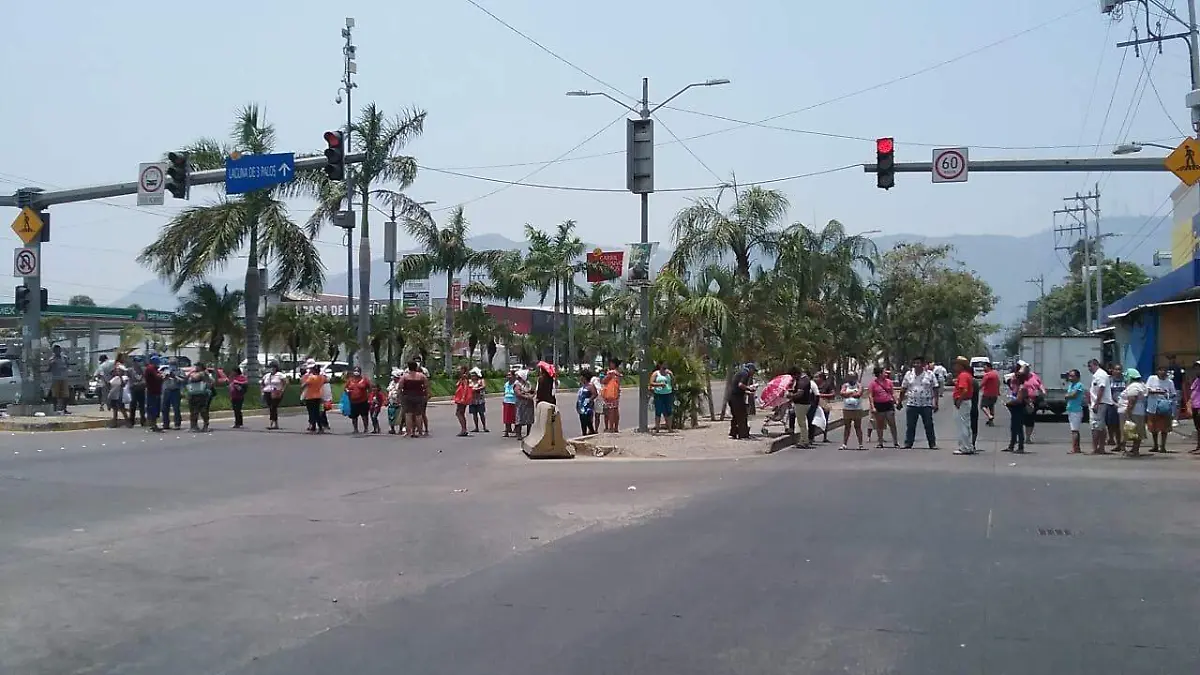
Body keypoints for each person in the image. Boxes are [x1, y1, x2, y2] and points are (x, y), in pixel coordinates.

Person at [899, 356, 939, 449]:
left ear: (923, 364)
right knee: (910, 425)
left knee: (928, 424)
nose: (916, 365)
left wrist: (936, 402)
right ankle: (908, 443)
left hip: (926, 404)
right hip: (912, 403)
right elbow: (903, 388)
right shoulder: (909, 374)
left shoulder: (929, 374)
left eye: (918, 363)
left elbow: (935, 388)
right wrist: (899, 401)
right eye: (915, 363)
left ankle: (932, 443)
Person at [1145, 364, 1177, 453]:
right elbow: (1146, 390)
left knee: (1164, 428)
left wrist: (1166, 395)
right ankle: (1155, 445)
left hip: (1164, 407)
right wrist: (1155, 391)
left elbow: (1173, 393)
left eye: (1164, 371)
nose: (1163, 372)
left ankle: (1163, 446)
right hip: (1152, 407)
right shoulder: (1152, 378)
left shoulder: (1169, 382)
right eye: (1161, 370)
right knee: (1153, 428)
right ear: (1157, 371)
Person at [868, 366, 899, 448]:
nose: (886, 374)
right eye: (884, 372)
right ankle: (880, 442)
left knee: (892, 423)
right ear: (880, 374)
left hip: (888, 404)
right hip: (879, 405)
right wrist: (872, 407)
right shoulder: (873, 383)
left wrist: (896, 402)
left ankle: (895, 442)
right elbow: (870, 396)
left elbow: (893, 393)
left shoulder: (889, 382)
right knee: (880, 425)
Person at [949, 357, 975, 455]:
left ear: (961, 365)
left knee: (962, 425)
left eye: (956, 364)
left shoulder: (963, 375)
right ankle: (968, 446)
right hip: (965, 402)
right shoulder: (966, 375)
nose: (955, 367)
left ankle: (965, 447)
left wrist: (959, 400)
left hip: (962, 402)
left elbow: (964, 390)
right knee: (966, 424)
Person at [1120, 368, 1148, 457]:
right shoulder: (1141, 385)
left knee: (1131, 430)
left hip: (1134, 412)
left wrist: (1128, 412)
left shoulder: (1134, 386)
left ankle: (1134, 450)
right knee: (1137, 430)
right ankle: (1134, 449)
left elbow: (1132, 399)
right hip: (1139, 411)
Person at [1086, 359, 1111, 455]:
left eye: (1090, 366)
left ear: (1096, 365)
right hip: (1098, 403)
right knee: (1100, 426)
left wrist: (1096, 403)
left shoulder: (1100, 374)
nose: (1089, 368)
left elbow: (1101, 388)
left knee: (1095, 426)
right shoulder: (1097, 375)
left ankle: (1095, 448)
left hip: (1099, 404)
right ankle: (1100, 448)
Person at [728, 362, 757, 440]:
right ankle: (743, 435)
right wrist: (749, 388)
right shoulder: (745, 374)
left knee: (736, 416)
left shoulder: (740, 372)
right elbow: (740, 385)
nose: (753, 373)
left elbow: (738, 388)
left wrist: (748, 392)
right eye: (753, 371)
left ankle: (733, 433)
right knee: (742, 416)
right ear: (750, 369)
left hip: (732, 397)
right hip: (737, 398)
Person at [401, 361, 429, 438]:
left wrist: (400, 397)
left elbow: (400, 387)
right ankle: (420, 432)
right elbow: (426, 386)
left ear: (408, 367)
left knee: (408, 414)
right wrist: (427, 395)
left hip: (407, 396)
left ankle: (409, 432)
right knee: (418, 415)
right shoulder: (421, 376)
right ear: (416, 367)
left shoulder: (405, 377)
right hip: (419, 396)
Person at [1004, 369, 1030, 453]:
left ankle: (1020, 447)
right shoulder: (1016, 386)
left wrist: (1008, 403)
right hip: (1015, 410)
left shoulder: (1022, 388)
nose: (1012, 377)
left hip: (1019, 409)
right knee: (1014, 428)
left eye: (1014, 377)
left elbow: (1019, 400)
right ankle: (1011, 445)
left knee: (1019, 428)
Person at [839, 372, 866, 450]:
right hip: (847, 409)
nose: (851, 379)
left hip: (857, 409)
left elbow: (858, 394)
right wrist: (852, 392)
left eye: (853, 377)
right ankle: (844, 444)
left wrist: (847, 394)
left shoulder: (859, 385)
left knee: (857, 427)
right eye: (849, 377)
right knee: (847, 427)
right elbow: (842, 393)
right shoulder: (845, 385)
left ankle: (860, 444)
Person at [184, 363, 213, 432]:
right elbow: (186, 379)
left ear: (201, 367)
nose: (196, 367)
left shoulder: (203, 373)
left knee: (202, 410)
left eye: (197, 366)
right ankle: (194, 426)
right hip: (193, 393)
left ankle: (205, 426)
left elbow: (194, 378)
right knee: (193, 411)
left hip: (201, 394)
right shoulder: (197, 373)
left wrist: (190, 373)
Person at [345, 366, 372, 434]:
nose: (356, 372)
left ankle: (366, 429)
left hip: (363, 401)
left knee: (364, 415)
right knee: (354, 416)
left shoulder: (364, 380)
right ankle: (355, 429)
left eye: (358, 371)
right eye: (355, 371)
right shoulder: (350, 380)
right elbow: (345, 388)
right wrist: (347, 391)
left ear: (360, 372)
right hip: (353, 401)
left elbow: (370, 388)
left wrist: (369, 396)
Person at [1064, 369, 1085, 454]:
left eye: (1072, 376)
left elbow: (1073, 395)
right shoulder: (1071, 385)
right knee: (1074, 430)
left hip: (1076, 410)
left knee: (1074, 430)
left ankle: (1074, 448)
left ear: (1077, 377)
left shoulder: (1079, 385)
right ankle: (1077, 447)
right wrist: (1068, 396)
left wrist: (1067, 396)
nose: (1070, 378)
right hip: (1071, 409)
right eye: (1070, 376)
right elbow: (1068, 395)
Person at [649, 361, 675, 433]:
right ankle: (657, 428)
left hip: (668, 394)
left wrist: (671, 375)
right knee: (658, 411)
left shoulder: (668, 373)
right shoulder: (656, 373)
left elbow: (673, 383)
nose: (666, 365)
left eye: (666, 364)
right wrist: (659, 384)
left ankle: (670, 428)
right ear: (660, 365)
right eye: (664, 364)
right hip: (658, 394)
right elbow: (651, 383)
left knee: (669, 411)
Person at [301, 364, 327, 433]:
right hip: (318, 396)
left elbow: (303, 385)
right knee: (317, 412)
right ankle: (320, 427)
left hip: (310, 397)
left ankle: (313, 426)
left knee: (311, 412)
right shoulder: (321, 377)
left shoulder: (311, 377)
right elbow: (326, 380)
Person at [261, 362, 286, 430]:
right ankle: (275, 423)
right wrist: (262, 391)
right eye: (270, 367)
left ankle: (272, 423)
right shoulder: (267, 375)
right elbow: (262, 383)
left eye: (273, 367)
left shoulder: (280, 375)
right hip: (267, 392)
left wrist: (282, 390)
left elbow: (285, 382)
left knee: (273, 406)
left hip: (276, 392)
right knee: (271, 408)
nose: (272, 369)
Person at [160, 358, 184, 430]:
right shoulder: (166, 370)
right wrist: (165, 376)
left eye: (173, 363)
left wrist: (175, 376)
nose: (172, 365)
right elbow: (161, 379)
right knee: (164, 408)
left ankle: (177, 424)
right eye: (171, 363)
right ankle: (166, 424)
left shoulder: (180, 371)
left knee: (176, 408)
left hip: (175, 391)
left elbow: (183, 380)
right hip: (167, 391)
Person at [600, 359, 622, 433]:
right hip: (616, 393)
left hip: (610, 394)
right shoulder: (618, 373)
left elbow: (604, 381)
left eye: (611, 363)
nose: (609, 365)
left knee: (610, 411)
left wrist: (603, 376)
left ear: (613, 364)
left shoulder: (611, 372)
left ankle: (611, 428)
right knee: (615, 410)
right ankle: (616, 427)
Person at [48, 345, 71, 414]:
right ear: (54, 351)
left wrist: (65, 369)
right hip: (55, 379)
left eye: (58, 350)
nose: (57, 351)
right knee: (55, 395)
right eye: (56, 350)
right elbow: (49, 369)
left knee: (65, 395)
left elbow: (68, 365)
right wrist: (52, 364)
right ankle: (55, 409)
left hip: (64, 378)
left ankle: (64, 409)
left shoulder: (64, 358)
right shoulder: (51, 359)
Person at [513, 368, 535, 440]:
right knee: (519, 417)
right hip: (521, 403)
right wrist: (527, 396)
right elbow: (518, 393)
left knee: (529, 418)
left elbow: (533, 390)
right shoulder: (517, 384)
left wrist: (532, 395)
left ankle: (529, 433)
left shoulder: (528, 383)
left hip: (529, 403)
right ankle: (518, 434)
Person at [576, 367, 598, 436]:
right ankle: (584, 434)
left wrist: (589, 400)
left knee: (587, 421)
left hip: (587, 406)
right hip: (581, 406)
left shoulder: (590, 385)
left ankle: (591, 432)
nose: (580, 378)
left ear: (584, 377)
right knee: (582, 421)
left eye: (581, 376)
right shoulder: (582, 386)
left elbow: (595, 394)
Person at [815, 373, 836, 444]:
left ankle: (825, 437)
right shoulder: (814, 385)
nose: (815, 379)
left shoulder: (827, 385)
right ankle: (812, 437)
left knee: (825, 420)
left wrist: (821, 395)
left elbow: (833, 394)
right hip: (815, 404)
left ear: (821, 378)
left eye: (817, 377)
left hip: (824, 403)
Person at [453, 366, 473, 437]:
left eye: (459, 369)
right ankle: (464, 429)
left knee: (459, 413)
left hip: (462, 398)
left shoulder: (464, 377)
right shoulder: (462, 377)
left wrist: (463, 398)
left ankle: (464, 429)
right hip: (460, 397)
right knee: (461, 413)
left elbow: (465, 388)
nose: (458, 370)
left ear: (463, 370)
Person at [144, 357, 163, 433]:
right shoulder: (151, 368)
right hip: (153, 391)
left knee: (154, 408)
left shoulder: (154, 369)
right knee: (153, 408)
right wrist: (162, 376)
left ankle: (153, 424)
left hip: (155, 391)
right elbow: (157, 377)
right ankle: (153, 425)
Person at [979, 362, 1000, 427]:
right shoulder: (995, 374)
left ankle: (989, 416)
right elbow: (998, 383)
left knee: (983, 406)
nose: (983, 369)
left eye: (984, 367)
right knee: (991, 406)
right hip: (994, 394)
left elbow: (982, 384)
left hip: (987, 394)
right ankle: (991, 421)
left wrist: (976, 390)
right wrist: (998, 391)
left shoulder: (987, 375)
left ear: (989, 367)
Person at [468, 367, 489, 433]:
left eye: (474, 375)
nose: (473, 376)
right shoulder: (470, 381)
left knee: (481, 413)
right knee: (474, 414)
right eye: (472, 375)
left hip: (480, 400)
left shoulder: (481, 380)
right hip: (472, 400)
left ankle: (484, 427)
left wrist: (477, 389)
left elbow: (484, 386)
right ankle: (476, 427)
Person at [386, 369, 404, 435]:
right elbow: (388, 391)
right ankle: (392, 429)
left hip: (399, 401)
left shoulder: (401, 383)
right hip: (391, 401)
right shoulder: (391, 383)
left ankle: (400, 429)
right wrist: (387, 399)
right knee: (391, 415)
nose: (393, 378)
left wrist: (400, 400)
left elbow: (401, 392)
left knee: (400, 416)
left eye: (395, 377)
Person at [501, 370, 518, 437]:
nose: (508, 376)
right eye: (507, 375)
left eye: (510, 375)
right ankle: (507, 431)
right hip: (506, 401)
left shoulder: (516, 384)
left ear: (514, 376)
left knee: (515, 417)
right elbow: (504, 392)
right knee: (506, 418)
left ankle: (516, 430)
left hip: (514, 402)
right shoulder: (506, 384)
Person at [1188, 360, 1200, 454]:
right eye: (1196, 368)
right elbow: (1192, 391)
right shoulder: (1196, 379)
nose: (1197, 370)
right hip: (1195, 405)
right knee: (1197, 427)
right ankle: (1198, 446)